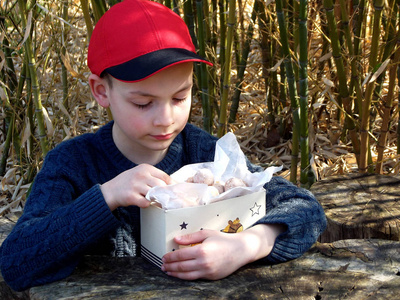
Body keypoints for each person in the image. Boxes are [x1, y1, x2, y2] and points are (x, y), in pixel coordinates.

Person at [0, 0, 326, 291]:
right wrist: (106, 197)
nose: (166, 118)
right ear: (101, 91)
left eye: (180, 97)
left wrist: (249, 244)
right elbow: (17, 262)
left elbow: (305, 208)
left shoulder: (203, 153)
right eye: (144, 103)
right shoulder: (73, 163)